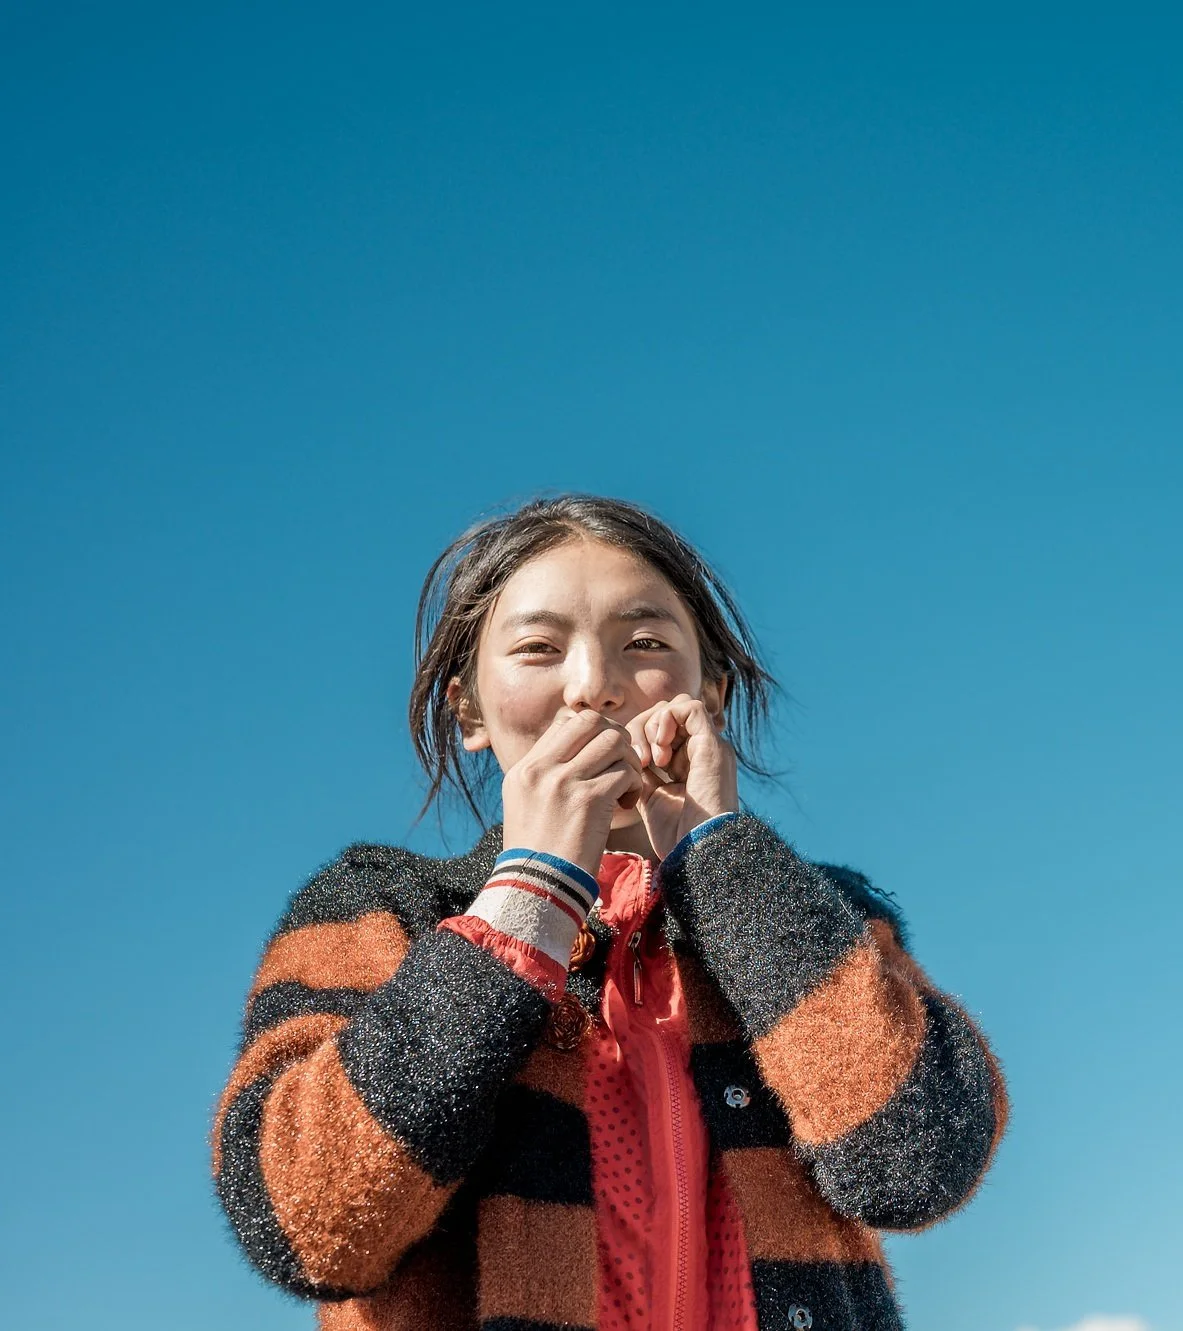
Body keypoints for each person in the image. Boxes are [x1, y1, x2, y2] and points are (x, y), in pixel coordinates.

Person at [212, 494, 1007, 1331]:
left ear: (713, 688)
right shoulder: (381, 908)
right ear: (470, 710)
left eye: (647, 643)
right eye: (538, 648)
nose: (595, 686)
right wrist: (529, 895)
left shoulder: (808, 912)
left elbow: (919, 1165)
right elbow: (304, 1224)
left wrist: (725, 861)